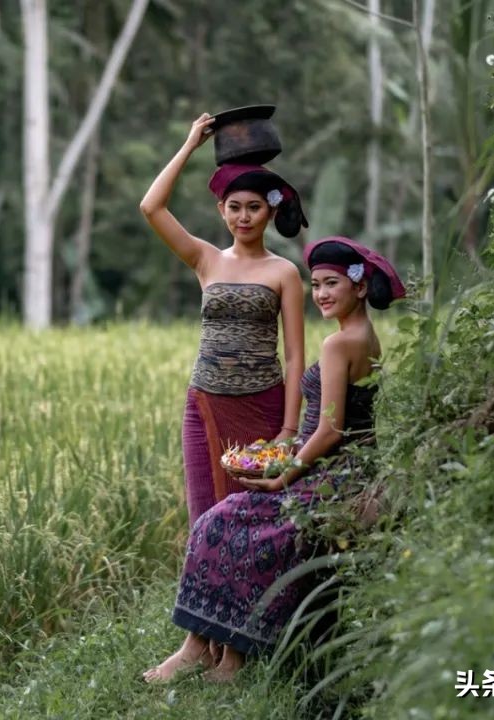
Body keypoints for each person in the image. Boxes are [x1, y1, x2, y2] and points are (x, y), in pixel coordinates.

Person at [143, 236, 406, 684]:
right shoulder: (365, 337)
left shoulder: (338, 345)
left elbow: (331, 429)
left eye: (332, 284)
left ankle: (214, 655)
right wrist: (287, 450)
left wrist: (286, 472)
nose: (321, 293)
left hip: (333, 474)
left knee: (220, 522)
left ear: (360, 288)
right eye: (317, 284)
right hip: (347, 467)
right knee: (229, 520)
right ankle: (223, 655)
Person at [139, 112, 307, 530]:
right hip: (206, 405)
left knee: (262, 522)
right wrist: (190, 145)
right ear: (221, 210)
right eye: (235, 208)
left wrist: (289, 428)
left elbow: (294, 357)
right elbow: (151, 206)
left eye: (254, 208)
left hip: (263, 407)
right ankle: (206, 598)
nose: (244, 217)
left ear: (269, 212)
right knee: (206, 521)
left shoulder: (284, 272)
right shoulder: (205, 259)